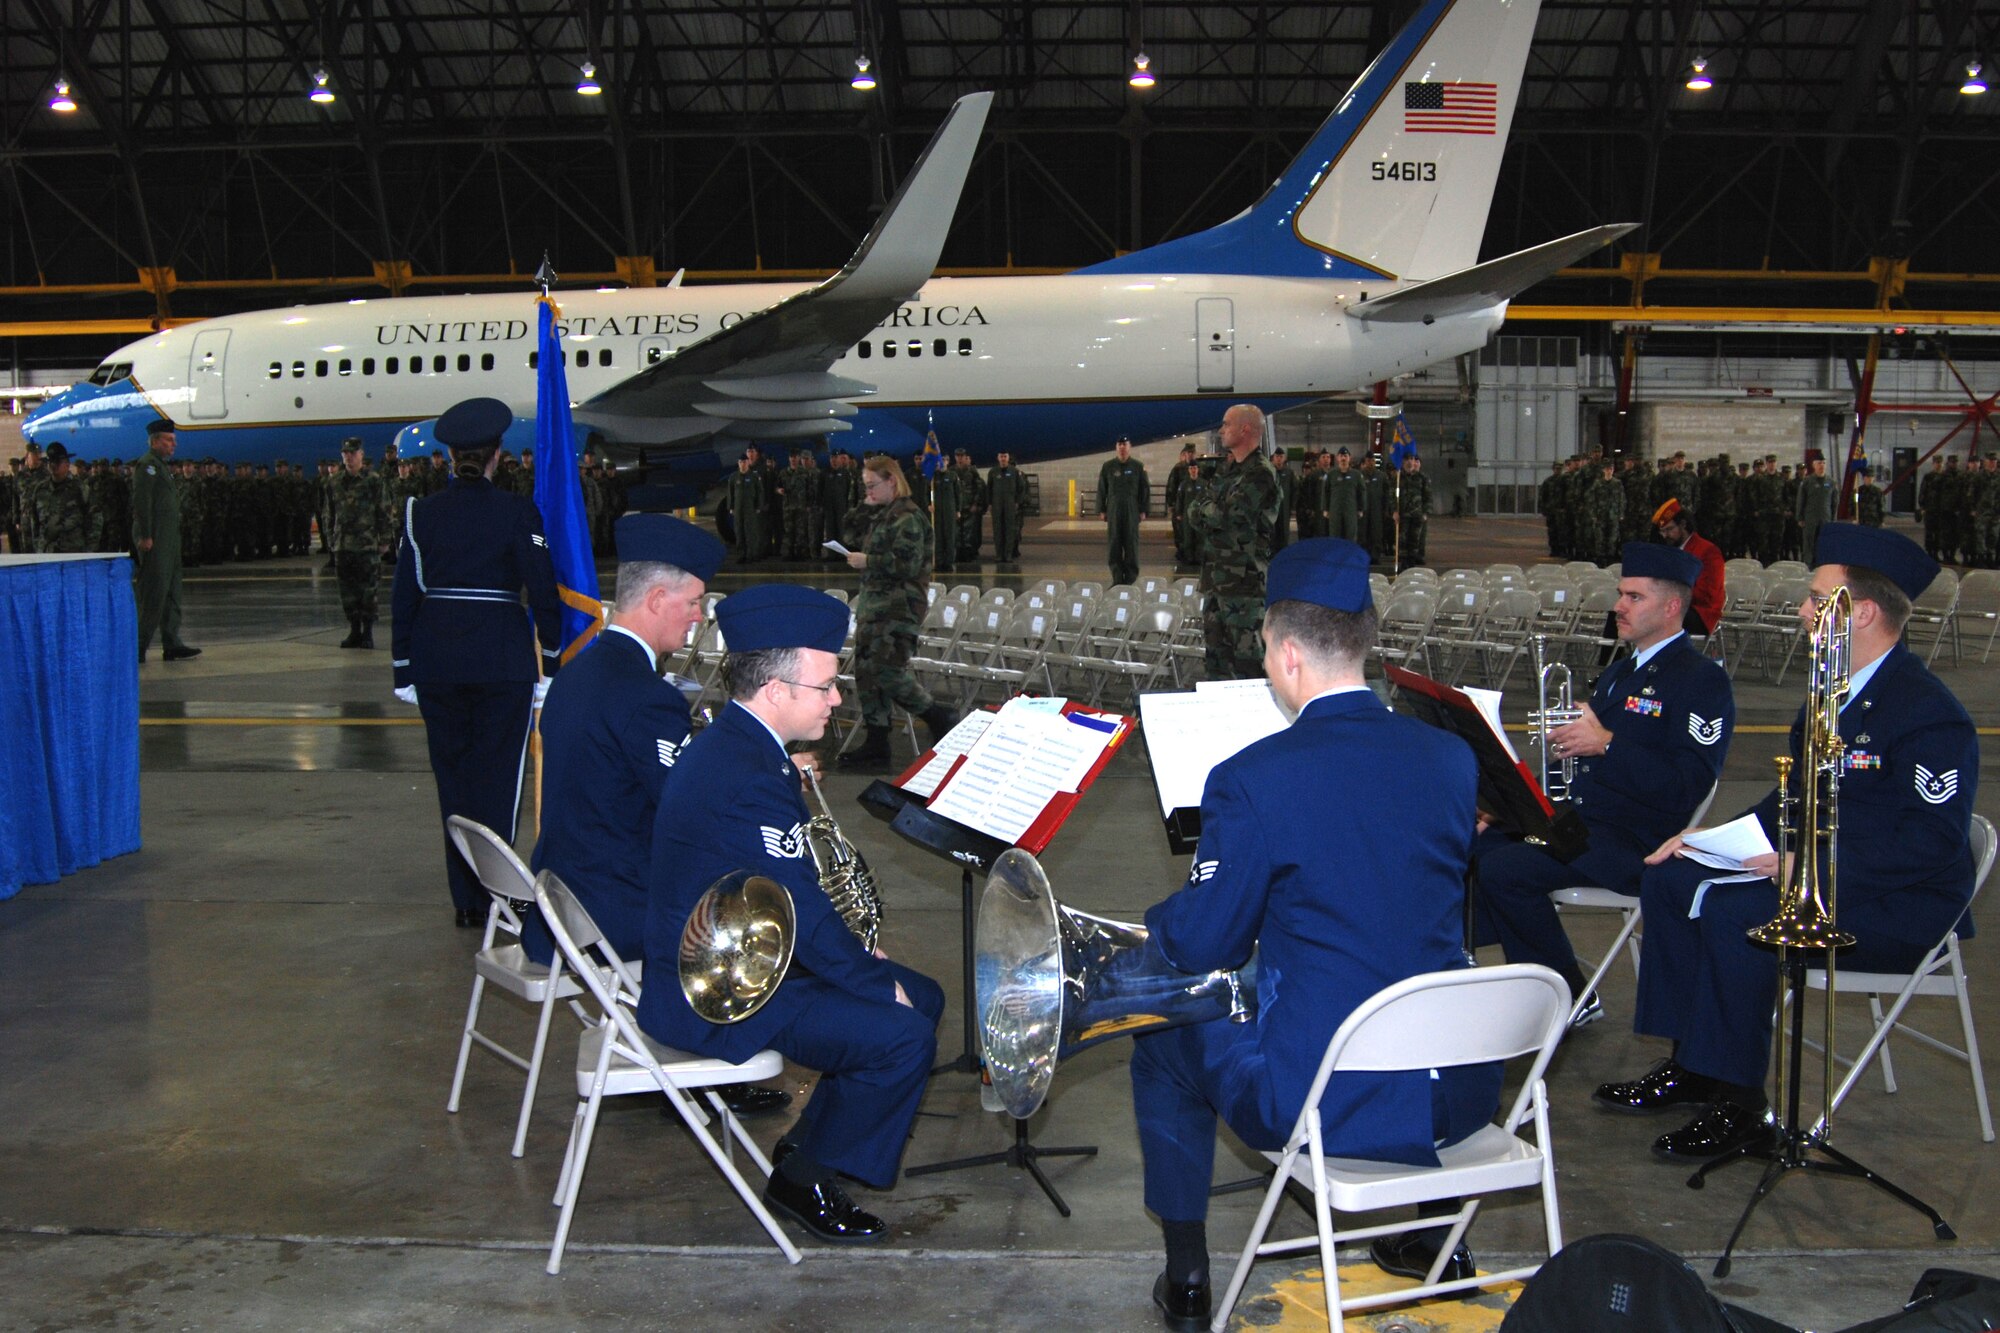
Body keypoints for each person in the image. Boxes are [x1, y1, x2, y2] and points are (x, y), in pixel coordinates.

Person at [1131, 538, 1501, 1331]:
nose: (1267, 666)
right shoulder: (1450, 758)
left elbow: (1205, 946)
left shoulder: (1249, 777)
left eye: (1266, 651)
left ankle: (1189, 1275)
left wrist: (1165, 915)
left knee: (1161, 1034)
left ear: (1290, 654)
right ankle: (1431, 1232)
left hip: (1327, 1101)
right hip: (1460, 1089)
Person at [1595, 524, 1980, 1161]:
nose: (1802, 611)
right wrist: (1707, 840)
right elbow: (1789, 803)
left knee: (1737, 911)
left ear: (1862, 612)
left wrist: (1815, 865)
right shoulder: (1829, 696)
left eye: (1815, 598)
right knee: (1672, 875)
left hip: (1897, 903)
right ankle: (1696, 1063)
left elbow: (1933, 843)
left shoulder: (1926, 712)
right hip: (1824, 877)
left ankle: (1742, 1107)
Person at [639, 585, 944, 1242]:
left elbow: (789, 894)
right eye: (826, 686)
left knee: (925, 996)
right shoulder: (747, 774)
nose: (837, 700)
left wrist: (863, 966)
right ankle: (809, 1177)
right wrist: (865, 974)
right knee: (905, 1031)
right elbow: (802, 908)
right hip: (716, 990)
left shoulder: (744, 748)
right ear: (775, 690)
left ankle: (809, 1146)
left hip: (749, 959)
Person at [1473, 543, 1735, 1025]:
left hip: (1639, 837)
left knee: (1507, 870)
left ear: (1672, 606)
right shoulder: (1618, 673)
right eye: (1621, 594)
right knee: (1469, 851)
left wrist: (1608, 744)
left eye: (1634, 597)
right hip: (1584, 823)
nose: (1619, 606)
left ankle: (1565, 996)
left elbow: (1687, 786)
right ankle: (1506, 978)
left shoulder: (1700, 681)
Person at [390, 397, 564, 929]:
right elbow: (543, 592)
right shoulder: (517, 511)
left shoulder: (421, 512)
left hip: (437, 661)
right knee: (497, 783)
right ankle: (499, 896)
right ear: (497, 456)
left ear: (449, 456)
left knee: (454, 781)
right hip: (500, 662)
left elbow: (404, 594)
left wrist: (403, 669)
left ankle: (465, 899)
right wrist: (551, 665)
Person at [841, 454, 957, 769]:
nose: (869, 491)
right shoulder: (883, 514)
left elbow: (908, 564)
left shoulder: (908, 517)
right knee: (866, 672)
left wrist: (869, 561)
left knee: (886, 670)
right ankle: (877, 743)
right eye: (865, 486)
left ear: (891, 480)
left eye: (872, 485)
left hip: (898, 606)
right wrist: (864, 506)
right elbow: (850, 533)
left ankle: (937, 715)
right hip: (875, 605)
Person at [1187, 405, 1281, 679]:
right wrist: (1211, 510)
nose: (1221, 430)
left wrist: (1210, 510)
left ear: (1245, 429)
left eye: (1227, 424)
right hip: (1217, 582)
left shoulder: (1260, 473)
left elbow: (1229, 516)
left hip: (1245, 585)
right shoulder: (1227, 469)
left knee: (1247, 664)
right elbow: (1195, 510)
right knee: (1216, 663)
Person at [132, 418, 201, 662]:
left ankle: (171, 642)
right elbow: (142, 502)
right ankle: (137, 647)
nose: (174, 445)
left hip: (169, 540)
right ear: (155, 441)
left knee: (172, 592)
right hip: (156, 539)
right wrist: (146, 535)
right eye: (169, 440)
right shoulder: (147, 466)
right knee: (154, 594)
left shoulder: (160, 466)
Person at [330, 439, 393, 648]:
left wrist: (385, 539)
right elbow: (330, 513)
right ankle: (354, 630)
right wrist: (332, 539)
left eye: (353, 452)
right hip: (343, 545)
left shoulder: (373, 480)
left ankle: (368, 633)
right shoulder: (335, 481)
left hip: (366, 545)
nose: (348, 456)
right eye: (345, 453)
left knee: (368, 590)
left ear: (361, 454)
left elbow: (383, 510)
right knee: (347, 591)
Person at [1652, 499, 1726, 636]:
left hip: (1700, 613)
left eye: (1669, 529)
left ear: (1683, 525)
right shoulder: (1669, 551)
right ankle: (1611, 657)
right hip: (1675, 608)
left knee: (1650, 615)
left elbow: (1707, 594)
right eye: (1662, 531)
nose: (1665, 536)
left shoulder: (1708, 551)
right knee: (1621, 613)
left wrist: (1668, 595)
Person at [1098, 436, 1150, 587]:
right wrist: (1102, 509)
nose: (1122, 447)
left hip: (1132, 509)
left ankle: (1130, 580)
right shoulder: (1108, 466)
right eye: (1119, 444)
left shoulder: (1137, 466)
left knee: (1131, 544)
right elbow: (1102, 489)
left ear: (1129, 446)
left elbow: (1144, 489)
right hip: (1114, 510)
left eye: (1125, 444)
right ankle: (1117, 579)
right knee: (1114, 544)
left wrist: (1143, 510)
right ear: (1116, 447)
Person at [28, 443, 91, 553]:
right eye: (50, 462)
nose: (53, 465)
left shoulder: (80, 488)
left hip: (73, 553)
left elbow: (94, 520)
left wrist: (90, 551)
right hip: (46, 552)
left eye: (57, 462)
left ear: (67, 464)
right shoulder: (40, 489)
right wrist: (38, 547)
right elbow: (35, 522)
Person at [986, 450, 1028, 561]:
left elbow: (1021, 488)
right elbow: (989, 489)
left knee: (1009, 530)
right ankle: (999, 555)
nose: (1003, 459)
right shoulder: (993, 472)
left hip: (1010, 505)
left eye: (1005, 456)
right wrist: (989, 503)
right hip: (997, 506)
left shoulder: (1014, 472)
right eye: (1001, 456)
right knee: (998, 531)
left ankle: (1008, 555)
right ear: (998, 458)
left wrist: (1017, 502)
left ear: (1008, 458)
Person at [1795, 454, 1835, 562]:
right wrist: (1800, 518)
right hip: (1810, 519)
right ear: (1814, 465)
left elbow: (1834, 503)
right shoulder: (1807, 482)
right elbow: (1801, 501)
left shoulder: (1831, 482)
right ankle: (1808, 567)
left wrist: (1833, 519)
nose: (1821, 465)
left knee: (1824, 545)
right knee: (1809, 546)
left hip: (1825, 519)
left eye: (1823, 463)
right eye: (1819, 463)